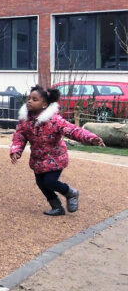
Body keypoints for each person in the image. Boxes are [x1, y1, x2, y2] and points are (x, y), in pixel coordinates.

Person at [10, 85, 105, 216]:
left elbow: (72, 130)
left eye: (34, 99)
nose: (29, 101)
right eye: (29, 98)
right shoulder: (24, 121)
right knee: (41, 183)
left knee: (49, 181)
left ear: (44, 105)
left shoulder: (54, 120)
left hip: (55, 157)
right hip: (38, 158)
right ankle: (57, 207)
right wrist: (16, 150)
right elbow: (19, 136)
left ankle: (70, 193)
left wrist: (91, 138)